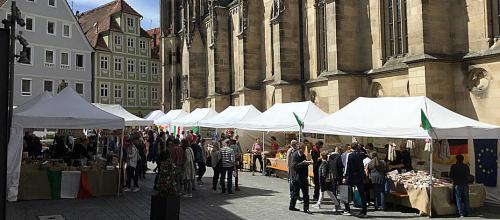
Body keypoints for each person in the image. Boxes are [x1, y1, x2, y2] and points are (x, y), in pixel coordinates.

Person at [343, 143, 368, 217]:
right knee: (362, 194)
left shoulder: (349, 155)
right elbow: (365, 153)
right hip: (359, 176)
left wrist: (344, 176)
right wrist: (360, 147)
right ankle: (364, 211)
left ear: (351, 147)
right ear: (357, 147)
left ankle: (347, 209)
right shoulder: (361, 154)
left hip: (351, 176)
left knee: (346, 192)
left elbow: (347, 166)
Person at [289, 144, 312, 214]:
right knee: (295, 193)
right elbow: (294, 166)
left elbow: (303, 165)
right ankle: (292, 206)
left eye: (304, 149)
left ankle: (306, 208)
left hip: (304, 178)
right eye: (303, 149)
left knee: (306, 194)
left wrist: (308, 163)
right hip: (297, 178)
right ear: (299, 149)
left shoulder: (303, 155)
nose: (304, 151)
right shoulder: (294, 155)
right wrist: (303, 163)